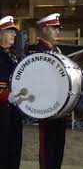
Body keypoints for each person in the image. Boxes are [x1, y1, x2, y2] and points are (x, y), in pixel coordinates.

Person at [30, 13, 66, 169]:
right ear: (44, 30)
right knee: (48, 148)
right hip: (46, 107)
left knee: (58, 147)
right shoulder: (36, 50)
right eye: (54, 28)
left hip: (60, 105)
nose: (58, 32)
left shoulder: (57, 50)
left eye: (58, 29)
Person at [0, 16, 23, 169]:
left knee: (14, 150)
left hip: (15, 110)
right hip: (1, 110)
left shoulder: (14, 55)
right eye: (10, 31)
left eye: (14, 32)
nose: (14, 34)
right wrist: (7, 95)